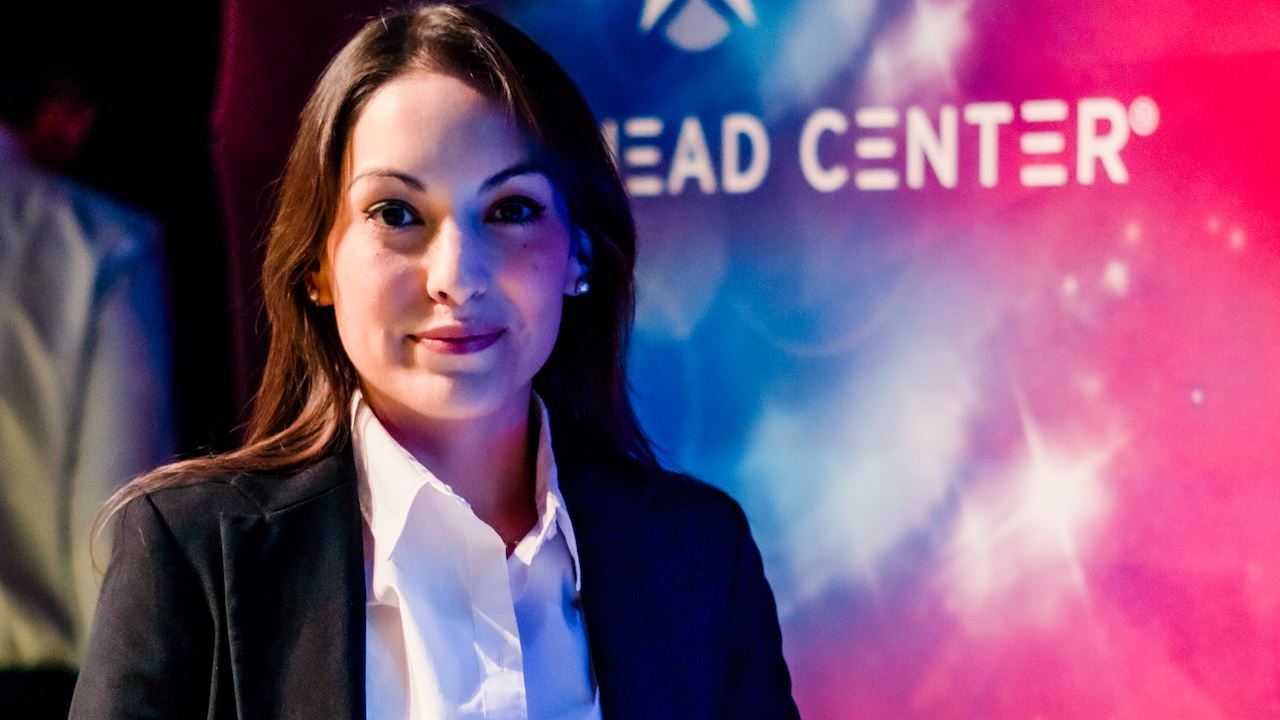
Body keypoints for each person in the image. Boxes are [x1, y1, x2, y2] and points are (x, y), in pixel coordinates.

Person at [69, 4, 798, 718]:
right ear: (317, 264)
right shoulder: (188, 554)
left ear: (579, 255)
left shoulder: (700, 557)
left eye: (510, 210)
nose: (457, 275)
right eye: (395, 214)